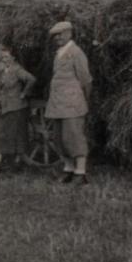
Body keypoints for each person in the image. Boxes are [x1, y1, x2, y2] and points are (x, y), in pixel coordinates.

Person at [45, 21, 93, 185]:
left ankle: (80, 173)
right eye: (55, 35)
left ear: (70, 33)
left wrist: (84, 100)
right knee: (59, 139)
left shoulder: (76, 53)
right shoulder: (59, 53)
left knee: (73, 137)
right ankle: (69, 169)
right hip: (57, 103)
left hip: (72, 104)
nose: (58, 38)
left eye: (61, 34)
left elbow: (85, 80)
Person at [0, 45, 36, 173]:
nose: (4, 59)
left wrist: (24, 93)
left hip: (17, 107)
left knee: (15, 136)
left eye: (6, 57)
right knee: (1, 134)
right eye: (2, 57)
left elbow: (31, 79)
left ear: (13, 58)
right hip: (5, 108)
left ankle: (14, 164)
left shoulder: (17, 69)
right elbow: (0, 86)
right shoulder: (5, 70)